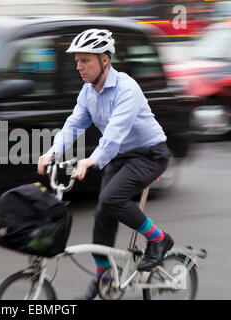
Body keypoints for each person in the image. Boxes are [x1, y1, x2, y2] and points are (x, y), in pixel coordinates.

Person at [37, 29, 174, 300]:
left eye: (85, 60)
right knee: (103, 214)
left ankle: (159, 239)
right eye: (77, 61)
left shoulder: (127, 89)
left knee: (112, 199)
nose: (79, 67)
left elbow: (114, 134)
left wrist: (91, 160)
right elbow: (74, 124)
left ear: (105, 60)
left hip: (149, 154)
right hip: (120, 157)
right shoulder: (88, 91)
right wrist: (52, 152)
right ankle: (104, 278)